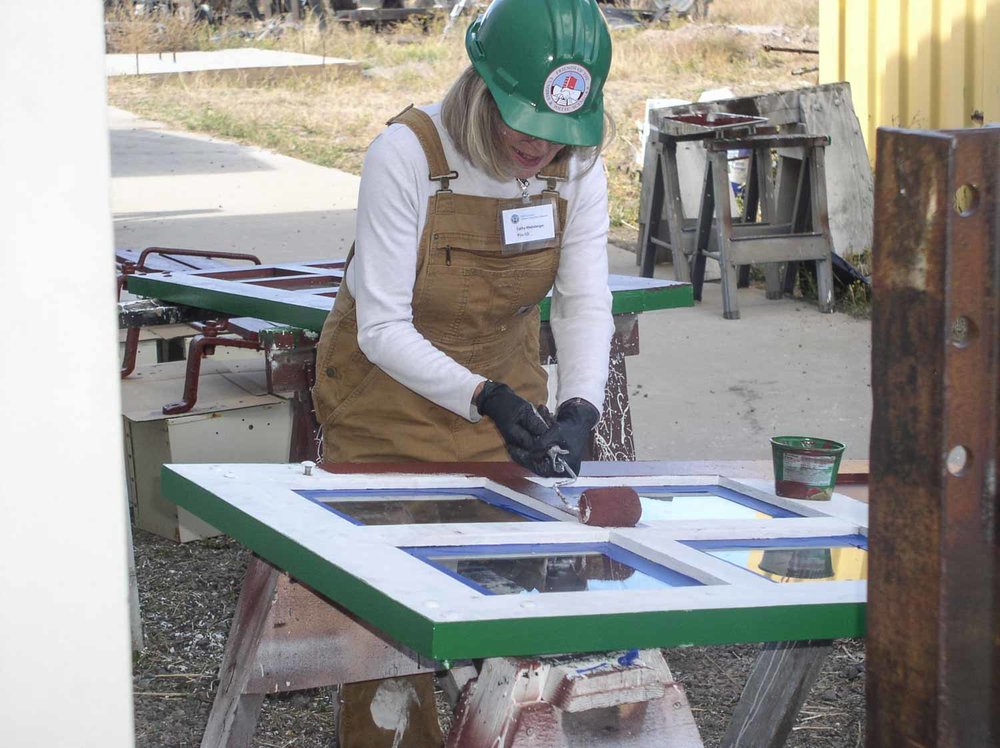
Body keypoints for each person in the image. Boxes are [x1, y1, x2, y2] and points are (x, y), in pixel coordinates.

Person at [310, 0, 614, 743]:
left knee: (516, 609)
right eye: (523, 122)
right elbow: (380, 326)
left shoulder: (579, 166)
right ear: (482, 86)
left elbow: (582, 302)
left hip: (504, 407)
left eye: (560, 131)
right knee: (386, 636)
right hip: (385, 405)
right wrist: (485, 396)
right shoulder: (407, 154)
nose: (541, 146)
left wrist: (580, 405)